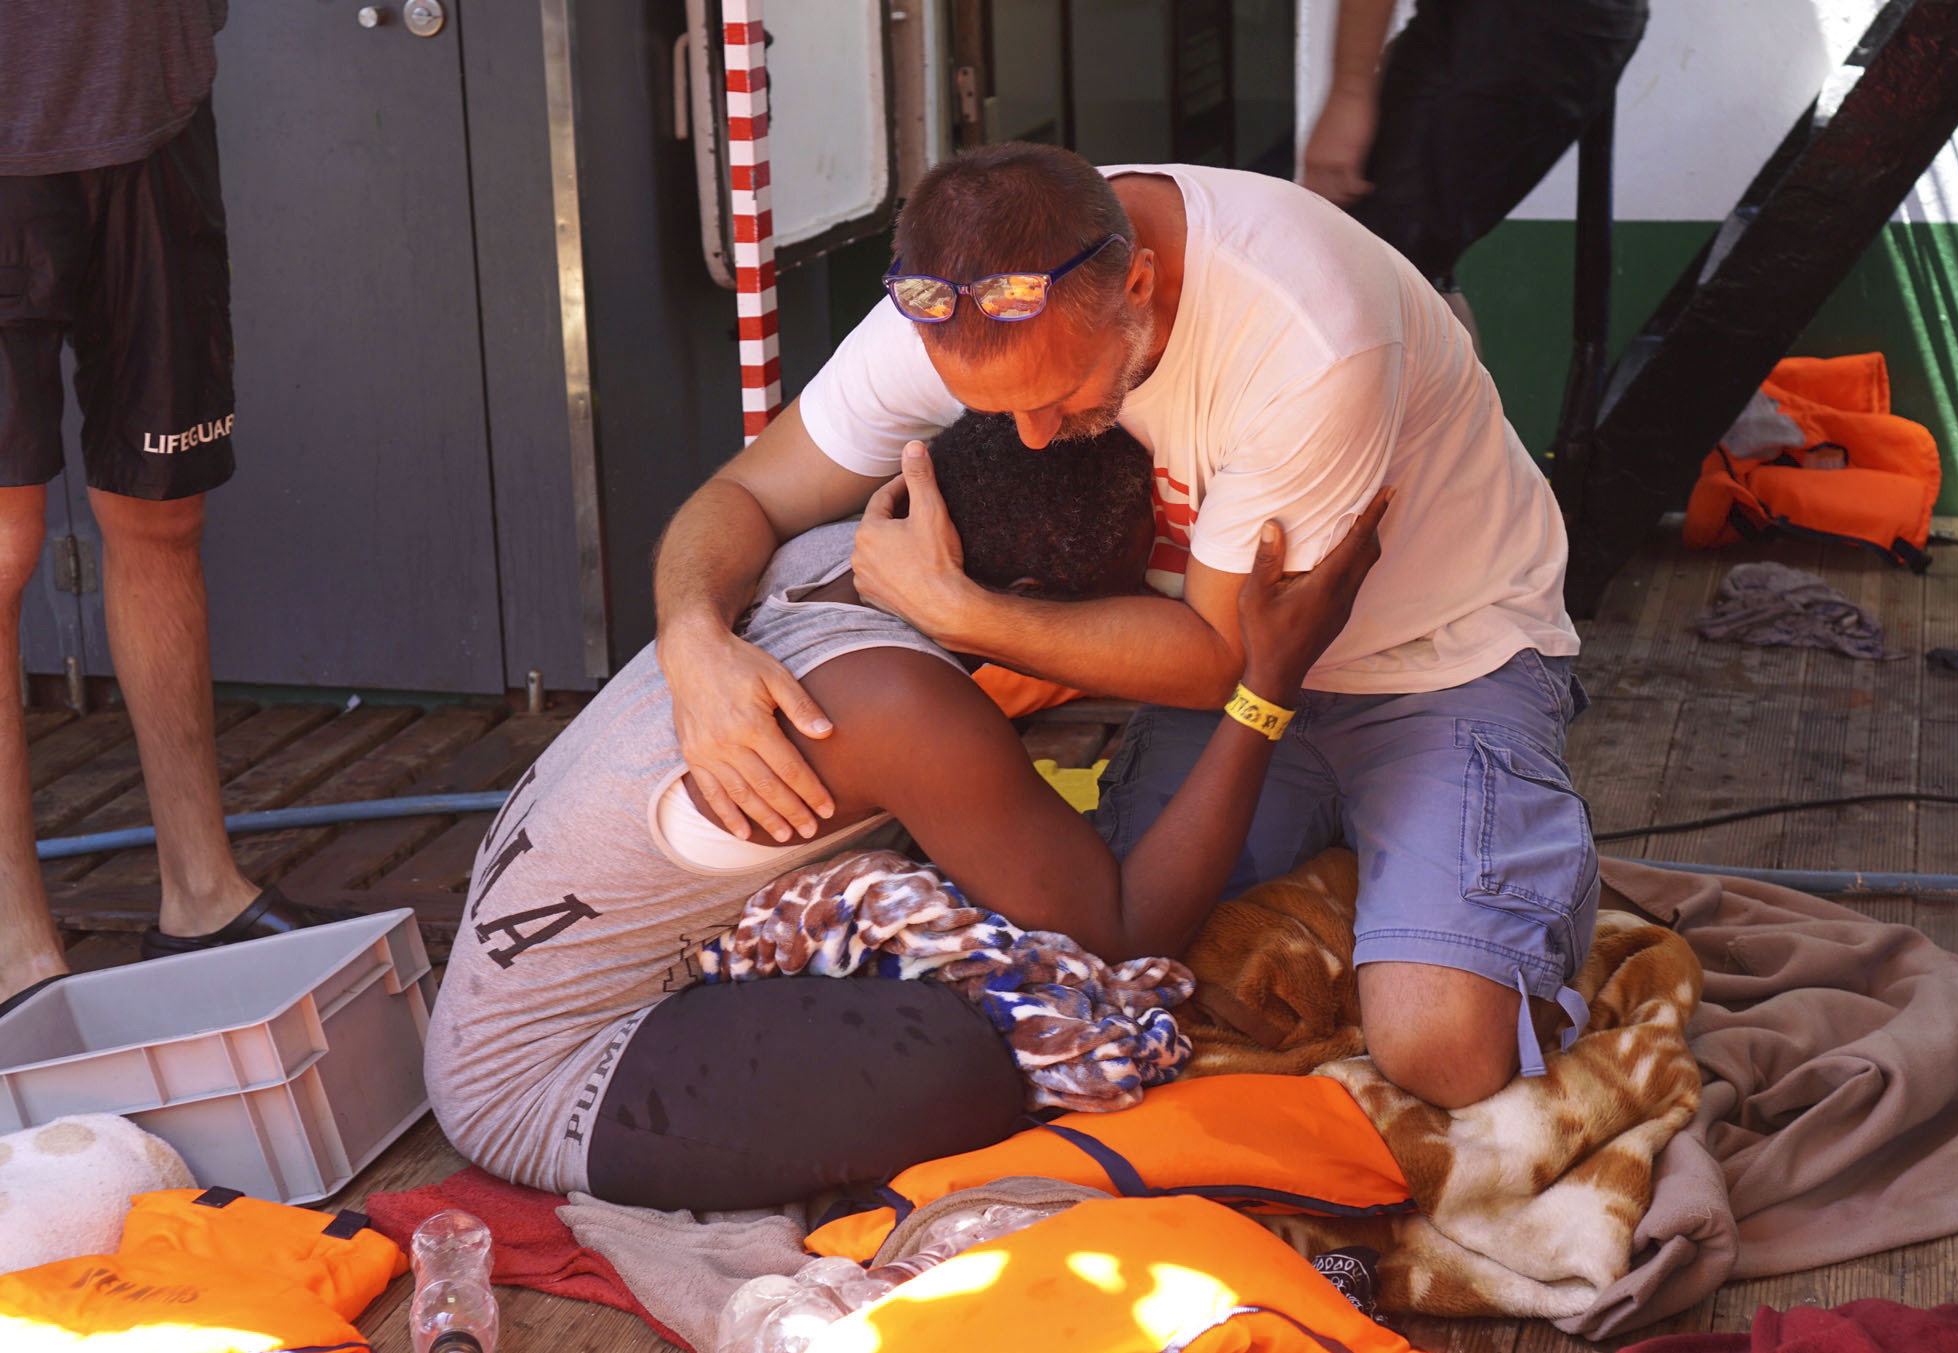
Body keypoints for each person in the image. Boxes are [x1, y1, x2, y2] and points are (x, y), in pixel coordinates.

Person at [652, 143, 1597, 1112]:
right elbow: (746, 494)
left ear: (1137, 281)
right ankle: (1386, 882)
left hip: (1437, 663)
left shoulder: (1309, 332)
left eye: (1058, 397)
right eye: (991, 410)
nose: (1027, 433)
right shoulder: (966, 302)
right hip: (1235, 674)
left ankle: (1491, 887)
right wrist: (692, 640)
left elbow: (1219, 659)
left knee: (1444, 1051)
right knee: (1095, 972)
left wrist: (958, 611)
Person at [425, 413, 1386, 1211]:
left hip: (529, 992)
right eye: (1121, 603)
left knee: (989, 898)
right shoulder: (903, 708)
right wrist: (1267, 681)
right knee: (961, 1068)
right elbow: (1121, 933)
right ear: (1027, 603)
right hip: (548, 1082)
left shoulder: (830, 551)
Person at [0, 0, 353, 1018]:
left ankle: (201, 893)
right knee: (6, 547)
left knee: (160, 513)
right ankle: (17, 943)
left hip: (150, 116)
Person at [1300, 0, 1648, 343]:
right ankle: (1460, 399)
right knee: (1401, 268)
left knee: (1363, 263)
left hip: (1525, 19)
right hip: (1484, 19)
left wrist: (1348, 94)